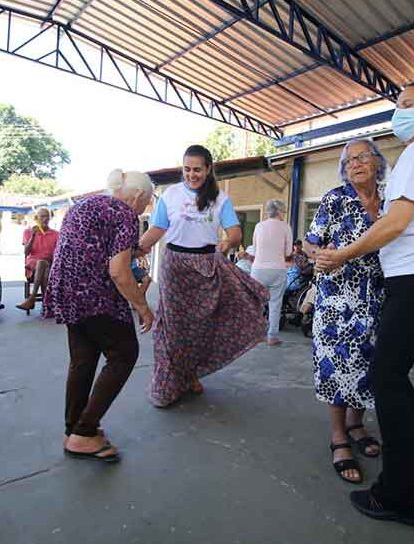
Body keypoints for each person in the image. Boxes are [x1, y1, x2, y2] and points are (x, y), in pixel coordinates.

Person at [316, 81, 414, 525]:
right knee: (393, 375)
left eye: (407, 105)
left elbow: (397, 222)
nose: (397, 112)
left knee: (385, 378)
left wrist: (343, 253)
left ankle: (400, 495)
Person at [139, 144, 268, 407]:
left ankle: (190, 373)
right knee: (172, 327)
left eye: (197, 169)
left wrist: (226, 243)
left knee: (199, 328)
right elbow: (157, 230)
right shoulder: (170, 195)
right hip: (174, 266)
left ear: (208, 170)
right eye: (186, 169)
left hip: (206, 266)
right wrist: (136, 250)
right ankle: (167, 383)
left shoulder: (220, 199)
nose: (191, 174)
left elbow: (234, 232)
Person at [44, 170, 155, 462]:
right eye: (147, 202)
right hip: (94, 295)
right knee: (124, 352)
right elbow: (118, 271)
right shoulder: (125, 214)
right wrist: (142, 306)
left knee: (83, 359)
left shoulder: (84, 205)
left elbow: (93, 250)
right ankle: (85, 431)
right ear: (138, 196)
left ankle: (73, 431)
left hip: (66, 291)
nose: (145, 209)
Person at [303, 138, 387, 485]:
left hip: (378, 295)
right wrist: (316, 254)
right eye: (349, 160)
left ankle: (356, 423)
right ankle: (339, 437)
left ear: (377, 162)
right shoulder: (334, 200)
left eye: (362, 156)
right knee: (336, 364)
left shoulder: (391, 201)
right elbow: (309, 241)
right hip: (337, 296)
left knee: (369, 363)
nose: (355, 164)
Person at [252, 200, 293, 346]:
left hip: (258, 269)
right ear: (280, 211)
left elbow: (255, 249)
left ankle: (254, 335)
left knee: (256, 303)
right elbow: (288, 252)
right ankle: (272, 337)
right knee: (275, 304)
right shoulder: (286, 227)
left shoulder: (259, 226)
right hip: (277, 269)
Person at [16, 207, 59, 311]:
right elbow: (26, 252)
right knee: (42, 265)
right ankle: (46, 305)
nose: (45, 219)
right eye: (42, 216)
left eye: (47, 217)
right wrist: (33, 236)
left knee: (44, 265)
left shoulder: (56, 234)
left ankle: (32, 298)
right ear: (36, 218)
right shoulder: (28, 232)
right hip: (32, 269)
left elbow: (58, 253)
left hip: (50, 265)